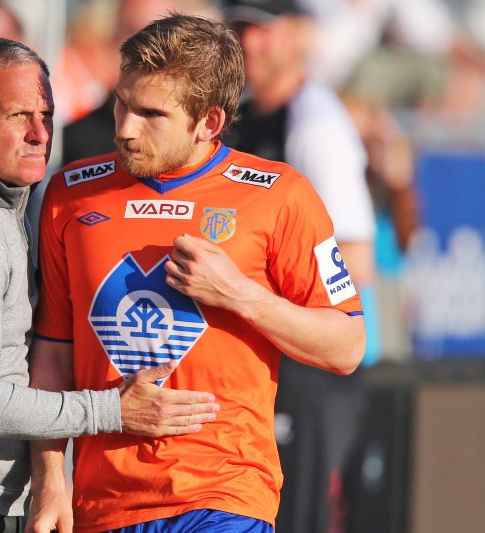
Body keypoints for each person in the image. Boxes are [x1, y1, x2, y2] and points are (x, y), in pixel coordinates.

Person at [0, 36, 219, 533]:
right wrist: (112, 409)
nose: (38, 134)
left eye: (45, 115)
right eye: (15, 116)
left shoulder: (5, 203)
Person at [27, 13, 366, 533]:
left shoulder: (280, 196)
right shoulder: (70, 193)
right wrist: (52, 481)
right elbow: (52, 352)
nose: (124, 127)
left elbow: (345, 347)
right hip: (103, 504)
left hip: (225, 496)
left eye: (150, 113)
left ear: (208, 121)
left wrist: (240, 295)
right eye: (121, 102)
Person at [219, 1, 377, 530]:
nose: (250, 43)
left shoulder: (314, 124)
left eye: (263, 30)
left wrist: (258, 301)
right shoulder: (246, 111)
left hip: (309, 369)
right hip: (266, 356)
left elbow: (355, 258)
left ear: (297, 35)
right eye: (240, 29)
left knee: (294, 517)